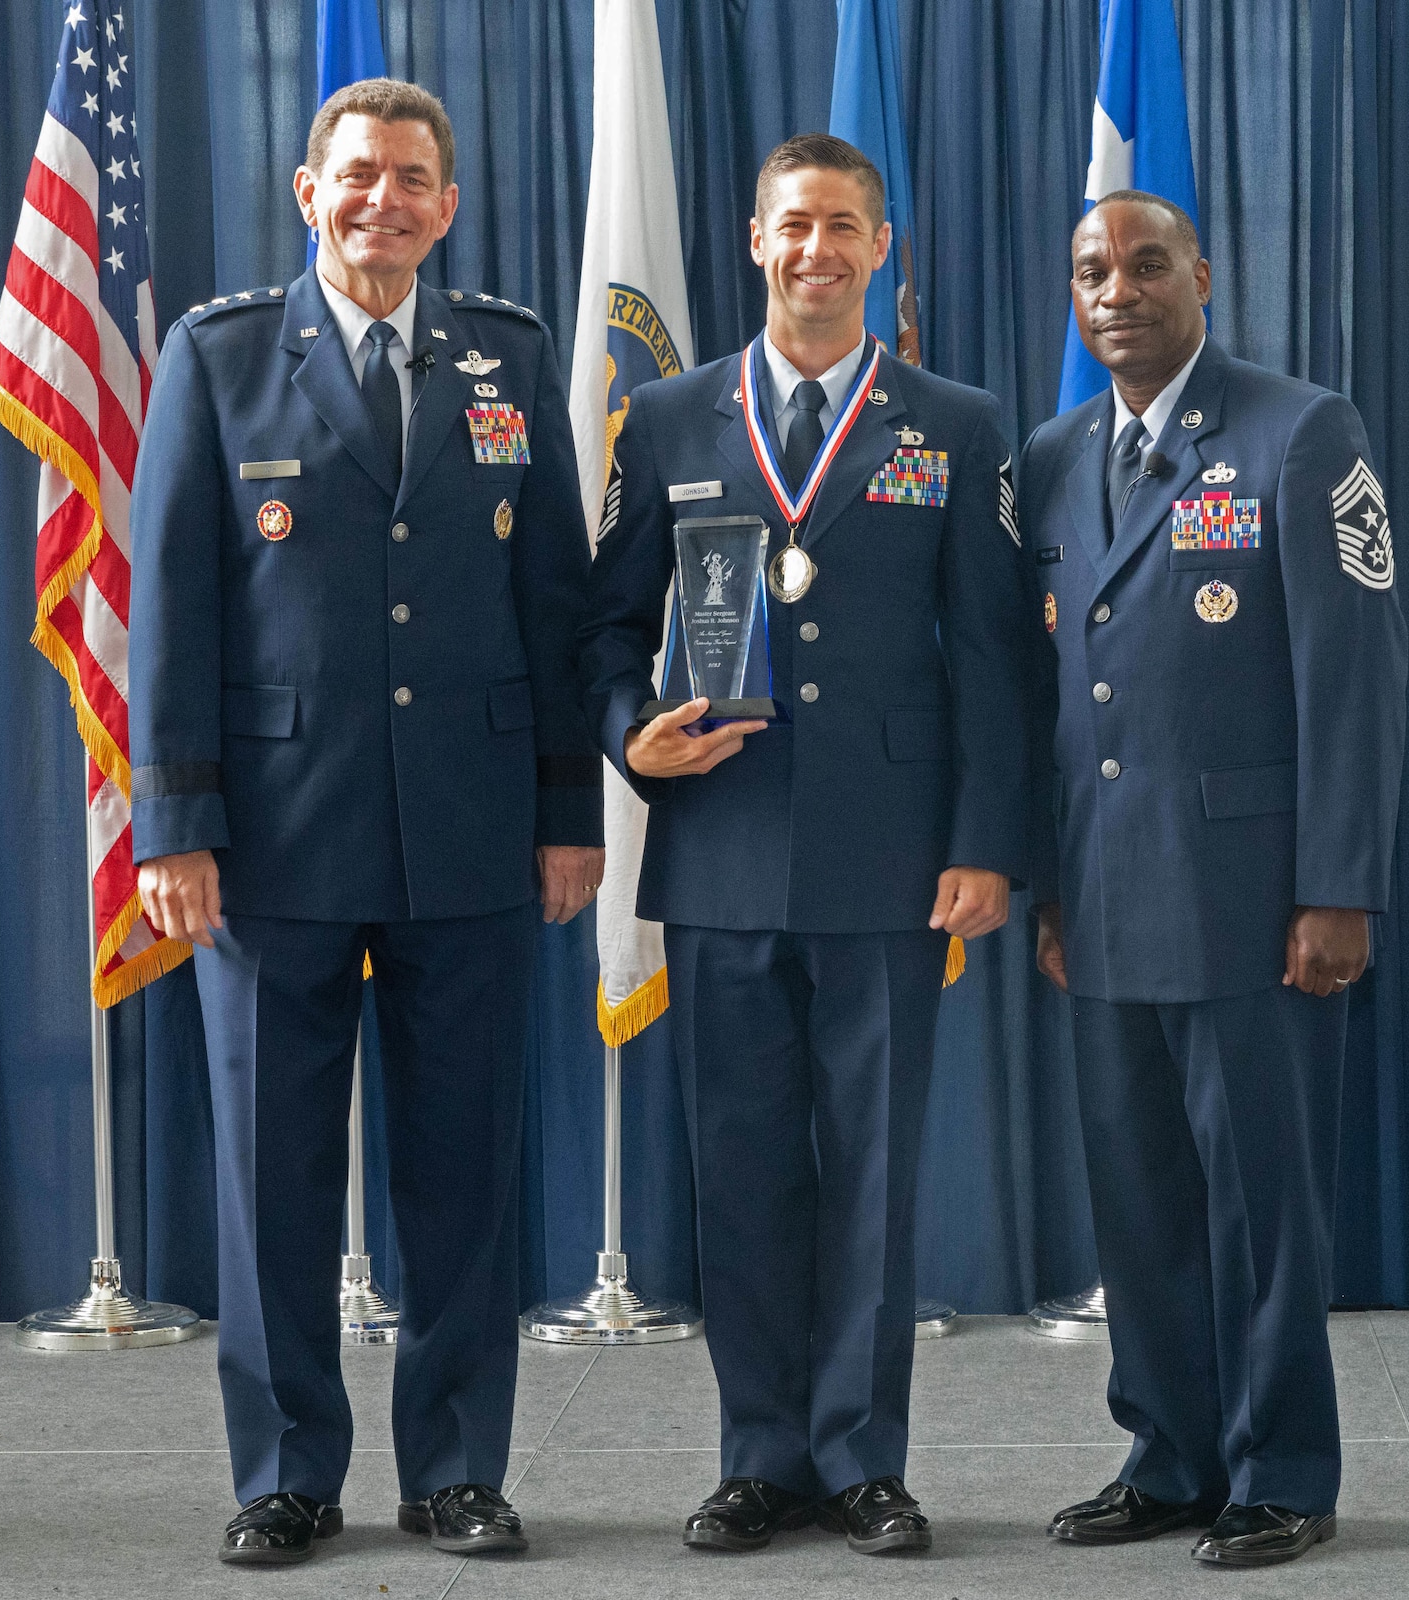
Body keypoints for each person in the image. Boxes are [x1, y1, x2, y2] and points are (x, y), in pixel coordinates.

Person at [129, 78, 604, 1567]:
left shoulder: (508, 359)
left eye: (410, 179)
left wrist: (567, 812)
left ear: (447, 205)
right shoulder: (218, 358)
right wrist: (174, 824)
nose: (381, 200)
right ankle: (285, 1469)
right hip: (271, 836)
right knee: (272, 1171)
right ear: (305, 188)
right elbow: (172, 611)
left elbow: (558, 611)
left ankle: (456, 1465)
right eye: (357, 176)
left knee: (464, 1170)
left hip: (468, 830)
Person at [579, 133, 1033, 1557]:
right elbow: (598, 627)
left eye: (844, 225)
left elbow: (995, 665)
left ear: (880, 247)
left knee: (875, 1176)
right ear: (754, 240)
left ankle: (863, 1457)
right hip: (719, 852)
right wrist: (626, 734)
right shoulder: (665, 417)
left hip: (893, 859)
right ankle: (759, 1455)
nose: (817, 250)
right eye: (794, 226)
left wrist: (985, 845)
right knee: (743, 1166)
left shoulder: (956, 422)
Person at [1020, 191, 1408, 1569]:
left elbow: (1354, 683)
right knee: (1140, 1206)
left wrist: (1340, 885)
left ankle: (1283, 1467)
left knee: (1262, 1205)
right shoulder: (1055, 455)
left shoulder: (1299, 431)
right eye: (1090, 272)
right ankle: (1171, 1454)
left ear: (1201, 276)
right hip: (1105, 899)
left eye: (1143, 264)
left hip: (1260, 903)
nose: (1116, 289)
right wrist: (1047, 889)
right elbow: (1054, 696)